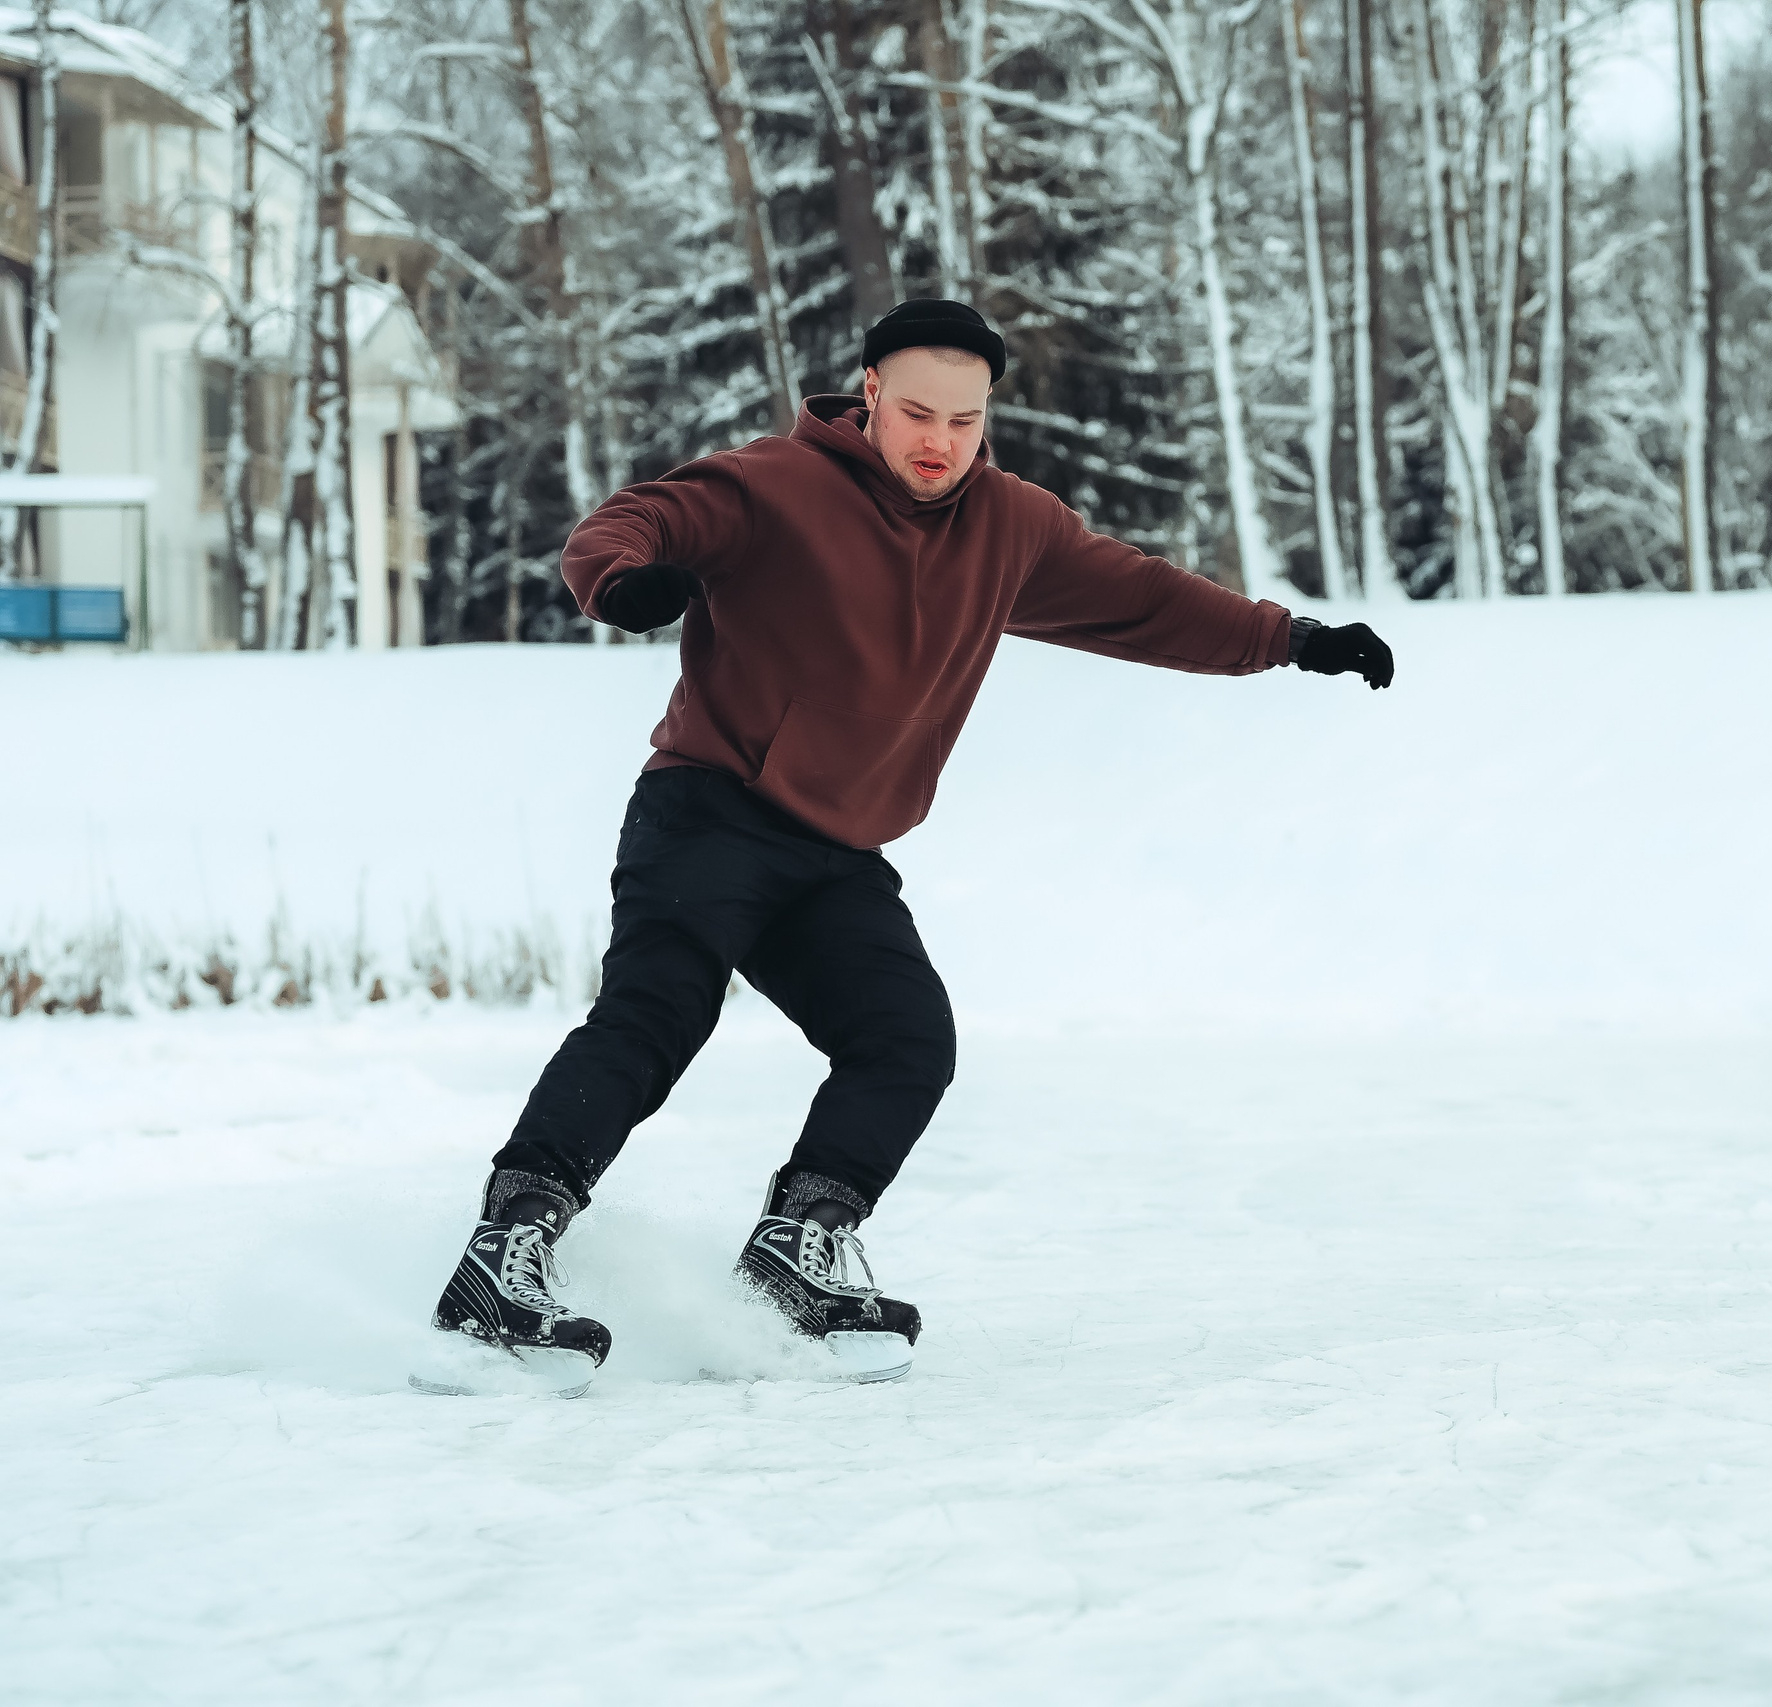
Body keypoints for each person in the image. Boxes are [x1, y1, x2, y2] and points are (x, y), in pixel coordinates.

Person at [419, 299, 1394, 1392]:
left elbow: (1142, 599)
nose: (939, 441)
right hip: (708, 810)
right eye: (919, 411)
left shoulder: (1010, 526)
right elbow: (629, 522)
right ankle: (504, 1257)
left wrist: (1290, 639)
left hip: (835, 850)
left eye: (966, 422)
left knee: (905, 1041)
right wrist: (622, 579)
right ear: (870, 394)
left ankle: (798, 1250)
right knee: (658, 1016)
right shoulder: (771, 487)